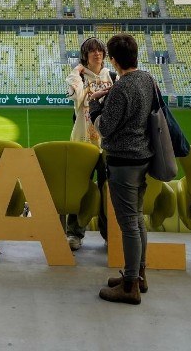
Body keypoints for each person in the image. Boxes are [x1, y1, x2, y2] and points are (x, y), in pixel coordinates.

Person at [88, 33, 155, 305]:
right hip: (142, 157)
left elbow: (104, 127)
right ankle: (138, 275)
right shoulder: (147, 79)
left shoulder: (122, 87)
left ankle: (129, 286)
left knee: (128, 224)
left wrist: (95, 105)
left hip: (123, 161)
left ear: (113, 60)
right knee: (137, 219)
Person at [64, 37, 113, 250]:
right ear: (85, 55)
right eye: (92, 51)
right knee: (79, 190)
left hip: (107, 143)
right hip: (82, 142)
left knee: (108, 191)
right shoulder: (78, 78)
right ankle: (75, 233)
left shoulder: (113, 76)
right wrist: (77, 72)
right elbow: (75, 98)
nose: (97, 54)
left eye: (100, 50)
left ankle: (110, 234)